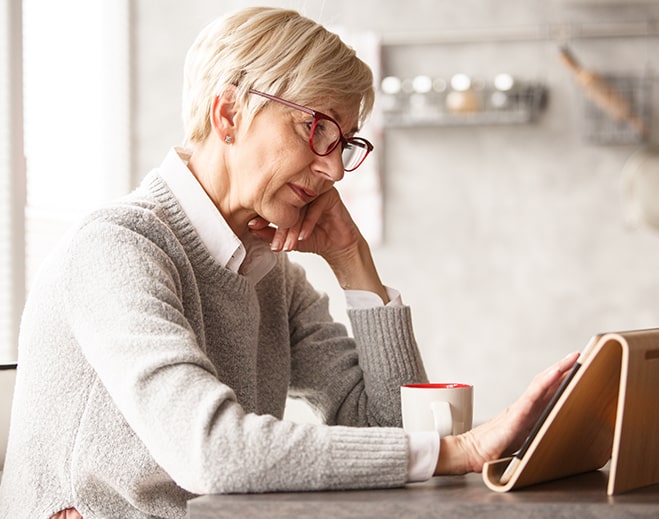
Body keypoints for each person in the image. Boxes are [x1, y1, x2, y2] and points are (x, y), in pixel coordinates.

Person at [0, 7, 578, 519]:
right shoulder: (117, 247)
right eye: (317, 128)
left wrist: (354, 265)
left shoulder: (273, 277)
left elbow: (392, 432)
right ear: (228, 113)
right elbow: (212, 452)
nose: (333, 170)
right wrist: (462, 451)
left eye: (345, 141)